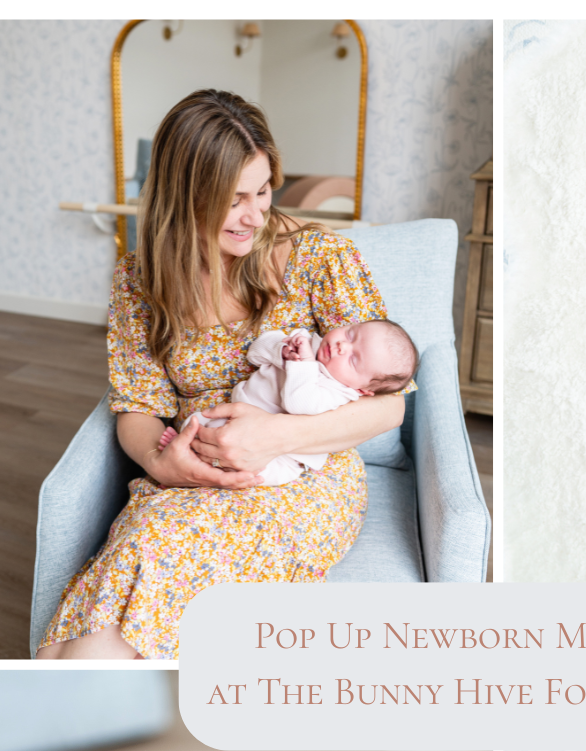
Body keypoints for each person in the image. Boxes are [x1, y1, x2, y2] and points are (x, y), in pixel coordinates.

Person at [37, 89, 408, 662]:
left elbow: (391, 405)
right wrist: (161, 461)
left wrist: (272, 437)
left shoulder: (318, 257)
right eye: (234, 199)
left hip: (298, 480)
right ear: (184, 196)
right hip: (192, 471)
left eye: (263, 192)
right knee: (100, 614)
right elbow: (136, 404)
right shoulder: (139, 279)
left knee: (134, 605)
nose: (255, 215)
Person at [158, 320, 419, 486]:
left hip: (281, 454)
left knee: (269, 473)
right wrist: (280, 350)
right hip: (230, 414)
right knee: (198, 424)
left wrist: (303, 365)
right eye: (351, 334)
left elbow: (298, 403)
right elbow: (255, 353)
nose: (341, 346)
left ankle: (222, 478)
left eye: (353, 360)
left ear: (363, 389)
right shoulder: (308, 342)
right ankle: (181, 450)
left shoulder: (339, 393)